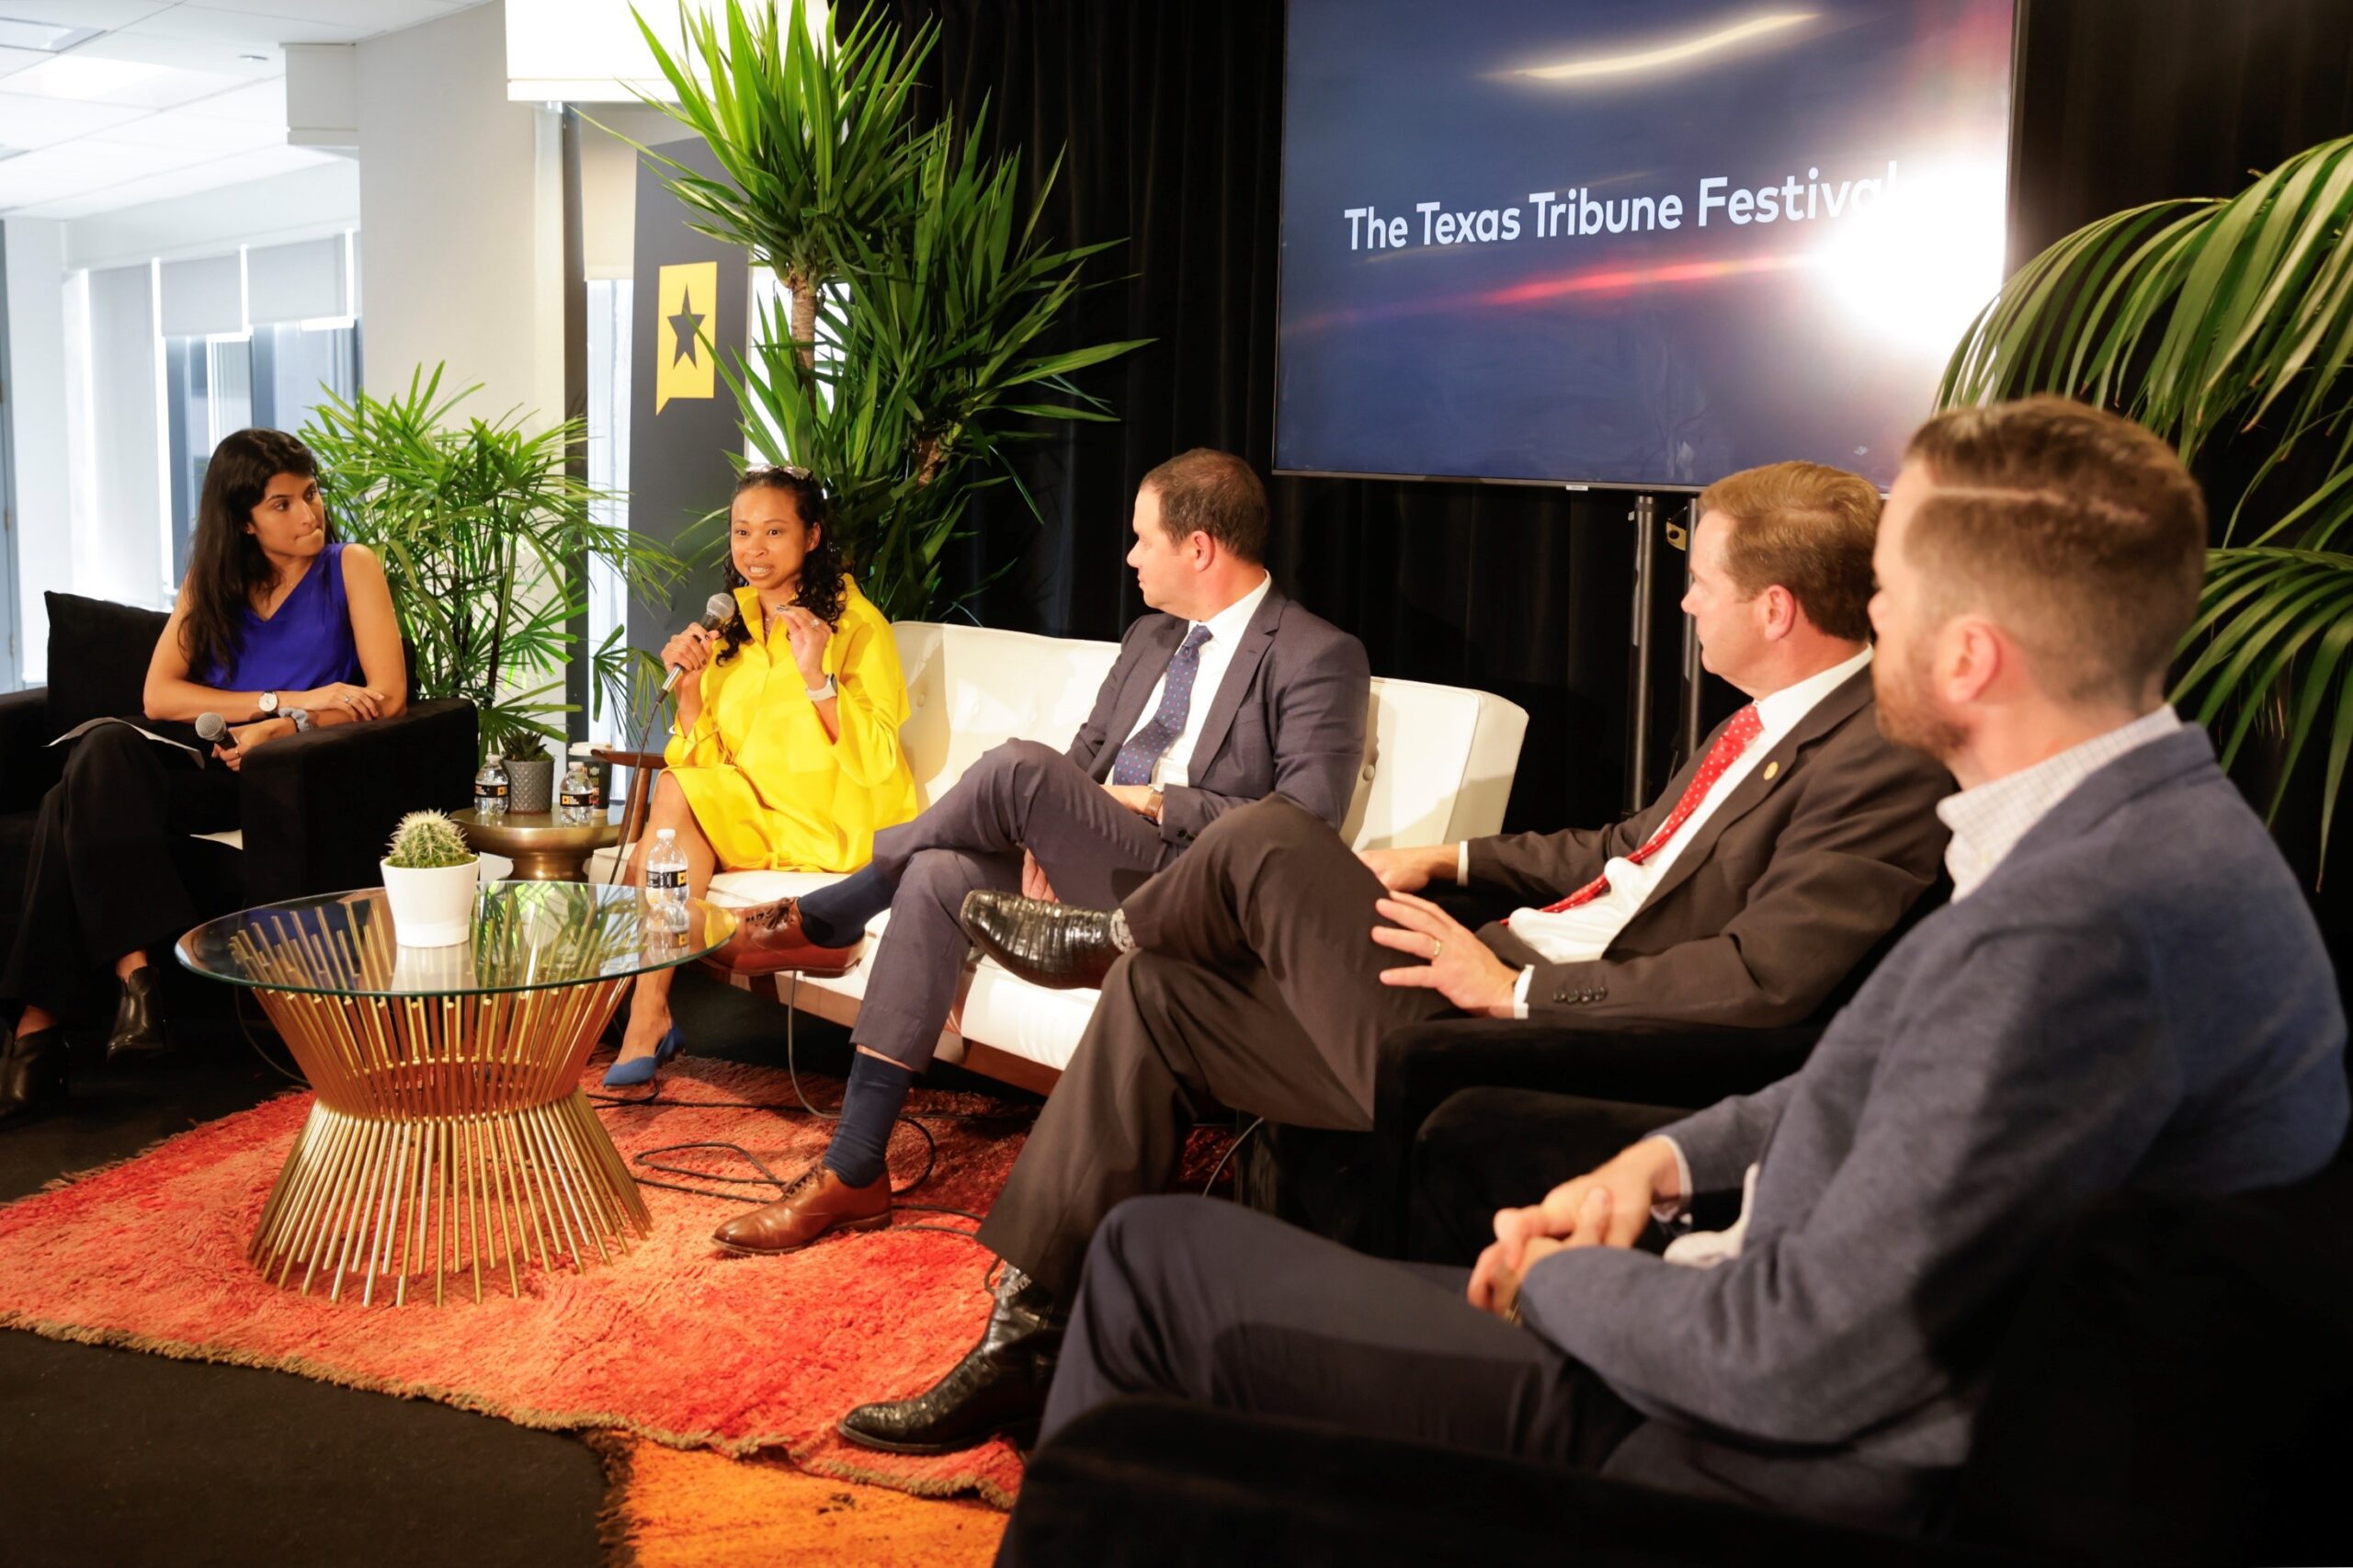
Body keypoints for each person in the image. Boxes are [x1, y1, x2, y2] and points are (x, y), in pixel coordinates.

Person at [1001, 398, 2350, 1537]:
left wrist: (1563, 1279)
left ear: (1969, 653)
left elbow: (1801, 1354)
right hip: (1725, 1331)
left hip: (1720, 1449)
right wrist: (1668, 1163)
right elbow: (1869, 1064)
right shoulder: (2137, 836)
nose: (1866, 608)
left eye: (1892, 588)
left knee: (1153, 1265)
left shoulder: (2076, 929)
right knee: (1154, 1213)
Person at [830, 457, 1956, 1454]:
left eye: (1700, 581)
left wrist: (1514, 985)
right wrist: (1447, 856)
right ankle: (1023, 1336)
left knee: (1266, 830)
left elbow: (1766, 981)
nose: (1684, 598)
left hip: (1523, 1041)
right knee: (1167, 993)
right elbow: (1627, 853)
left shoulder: (1878, 760)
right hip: (1474, 973)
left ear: (1773, 604)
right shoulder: (1759, 718)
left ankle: (1106, 931)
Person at [706, 448, 1370, 1254]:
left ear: (1198, 549)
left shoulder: (1315, 654)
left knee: (1020, 765)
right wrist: (1051, 833)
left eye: (1142, 539)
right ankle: (854, 1169)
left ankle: (830, 915)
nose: (1127, 556)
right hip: (1104, 868)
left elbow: (1305, 822)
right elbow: (1087, 754)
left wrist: (1150, 800)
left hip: (1194, 889)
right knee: (939, 870)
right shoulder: (1152, 637)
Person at [0, 427, 407, 1126]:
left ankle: (46, 1026)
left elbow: (387, 697)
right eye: (282, 504)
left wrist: (290, 728)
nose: (308, 514)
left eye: (310, 495)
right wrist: (287, 698)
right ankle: (135, 976)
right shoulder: (214, 584)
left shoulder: (351, 567)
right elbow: (160, 697)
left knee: (67, 802)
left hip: (283, 776)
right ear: (243, 520)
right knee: (102, 749)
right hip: (201, 768)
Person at [603, 465, 922, 1086]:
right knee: (673, 792)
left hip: (836, 821)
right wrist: (691, 698)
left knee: (652, 858)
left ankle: (646, 1014)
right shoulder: (732, 628)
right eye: (742, 531)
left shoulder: (858, 626)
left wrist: (816, 680)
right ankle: (648, 1011)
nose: (754, 548)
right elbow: (708, 767)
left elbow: (879, 761)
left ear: (812, 536)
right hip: (755, 816)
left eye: (774, 531)